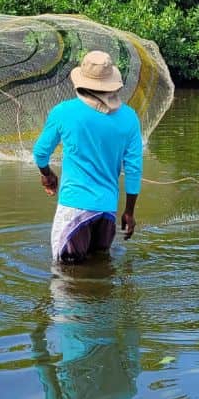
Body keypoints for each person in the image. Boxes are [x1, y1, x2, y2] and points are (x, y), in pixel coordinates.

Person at [33, 50, 143, 262]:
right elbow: (134, 169)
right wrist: (129, 212)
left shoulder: (64, 111)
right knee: (100, 270)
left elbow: (40, 153)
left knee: (65, 277)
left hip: (74, 208)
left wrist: (47, 174)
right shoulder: (129, 117)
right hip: (107, 212)